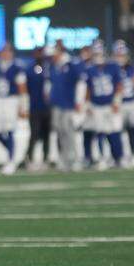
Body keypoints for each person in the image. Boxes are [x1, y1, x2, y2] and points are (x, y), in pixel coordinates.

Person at [0, 44, 27, 174]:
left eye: (7, 51)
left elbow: (22, 88)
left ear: (11, 53)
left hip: (11, 100)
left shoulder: (17, 68)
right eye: (3, 51)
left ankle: (10, 161)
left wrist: (23, 107)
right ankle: (13, 156)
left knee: (10, 130)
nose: (4, 54)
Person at [83, 40, 123, 169]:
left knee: (114, 132)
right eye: (96, 54)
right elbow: (88, 88)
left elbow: (119, 85)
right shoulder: (90, 69)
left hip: (110, 105)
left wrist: (116, 101)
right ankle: (102, 158)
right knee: (100, 132)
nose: (98, 57)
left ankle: (118, 158)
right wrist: (87, 104)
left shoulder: (113, 66)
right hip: (96, 105)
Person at [48, 42, 84, 171]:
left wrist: (78, 101)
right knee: (60, 133)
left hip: (69, 104)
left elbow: (81, 83)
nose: (52, 57)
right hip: (57, 104)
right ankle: (64, 159)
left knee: (70, 133)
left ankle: (74, 159)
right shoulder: (54, 66)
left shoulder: (71, 65)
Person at [114, 40, 134, 166]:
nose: (121, 57)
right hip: (118, 104)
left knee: (133, 129)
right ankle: (121, 156)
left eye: (123, 55)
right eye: (119, 55)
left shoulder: (131, 68)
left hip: (131, 102)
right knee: (117, 132)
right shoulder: (112, 68)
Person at [24, 47, 52, 170]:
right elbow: (25, 88)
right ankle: (29, 158)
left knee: (46, 135)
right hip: (35, 106)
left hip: (47, 107)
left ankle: (45, 159)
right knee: (34, 134)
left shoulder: (49, 67)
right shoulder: (30, 68)